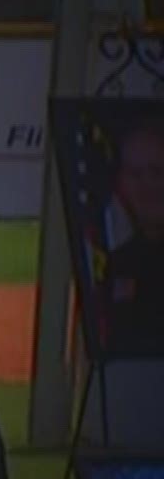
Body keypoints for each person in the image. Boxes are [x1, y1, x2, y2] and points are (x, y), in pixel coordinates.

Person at [106, 121, 164, 356]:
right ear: (121, 185)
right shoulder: (117, 264)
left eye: (157, 172)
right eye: (136, 174)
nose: (147, 185)